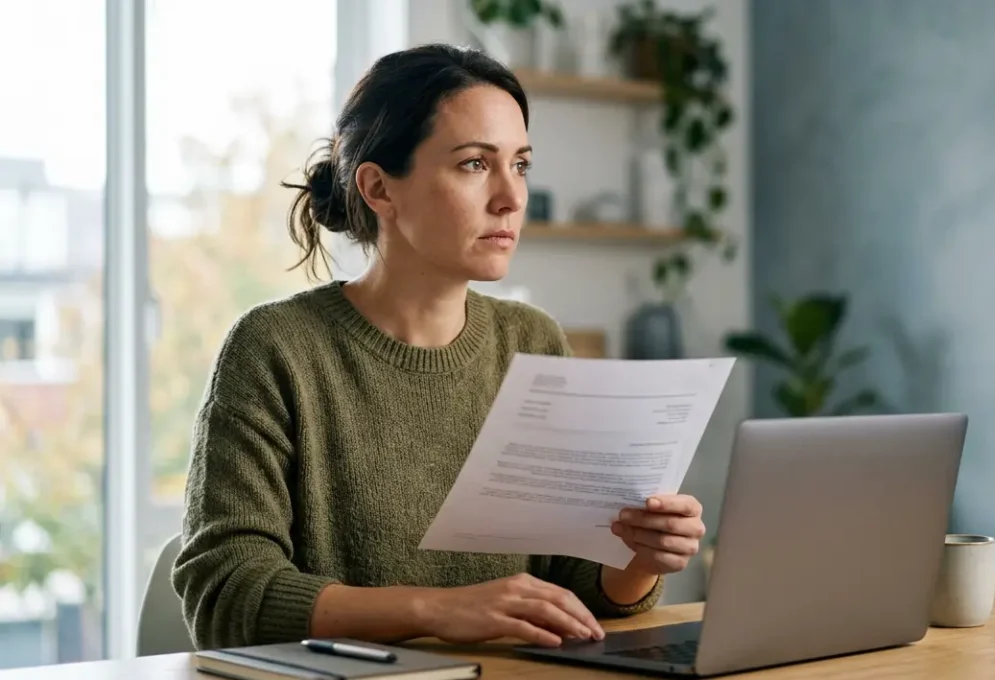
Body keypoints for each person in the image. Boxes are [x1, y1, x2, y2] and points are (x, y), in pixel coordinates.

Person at [171, 43, 707, 652]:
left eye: (521, 164)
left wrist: (638, 556)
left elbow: (573, 589)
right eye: (475, 164)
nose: (511, 197)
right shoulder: (276, 349)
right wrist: (438, 610)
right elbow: (226, 593)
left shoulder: (533, 342)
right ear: (378, 188)